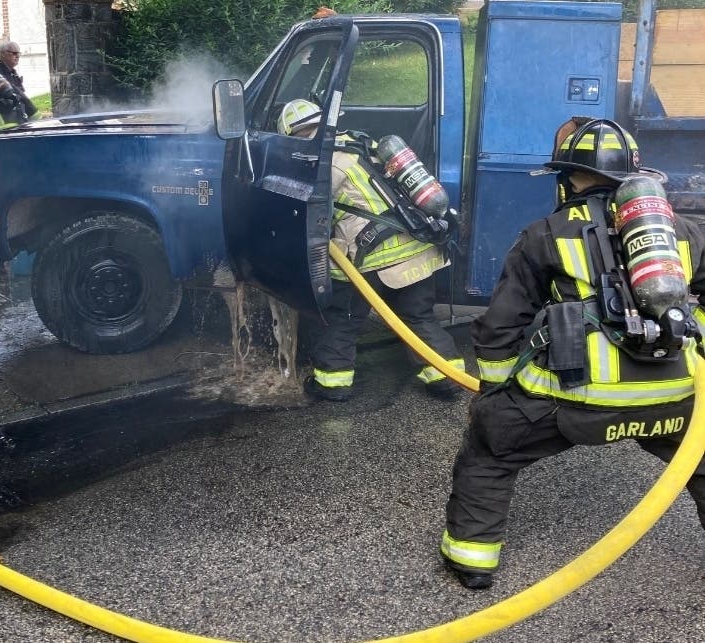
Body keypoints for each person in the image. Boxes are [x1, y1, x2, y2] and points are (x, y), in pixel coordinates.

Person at [439, 117, 705, 590]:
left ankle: (472, 561)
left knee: (490, 449)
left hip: (574, 403)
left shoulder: (544, 234)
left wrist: (491, 395)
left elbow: (501, 326)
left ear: (568, 179)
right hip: (676, 400)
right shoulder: (681, 230)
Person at [276, 99, 465, 403]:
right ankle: (446, 376)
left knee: (343, 318)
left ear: (294, 135)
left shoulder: (325, 164)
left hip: (373, 259)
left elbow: (312, 217)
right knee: (418, 317)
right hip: (416, 248)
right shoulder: (363, 144)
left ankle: (332, 383)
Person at [0, 40, 38, 120]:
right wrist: (34, 113)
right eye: (14, 53)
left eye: (18, 53)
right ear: (3, 54)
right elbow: (19, 95)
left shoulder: (12, 72)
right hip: (7, 119)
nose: (18, 56)